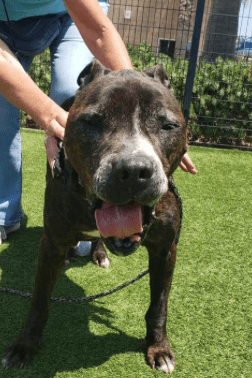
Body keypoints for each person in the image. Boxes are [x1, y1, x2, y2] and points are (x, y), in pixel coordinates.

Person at [0, 0, 197, 246]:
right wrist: (50, 116)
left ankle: (90, 219)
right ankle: (4, 215)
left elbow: (98, 31)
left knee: (70, 92)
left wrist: (141, 124)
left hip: (68, 15)